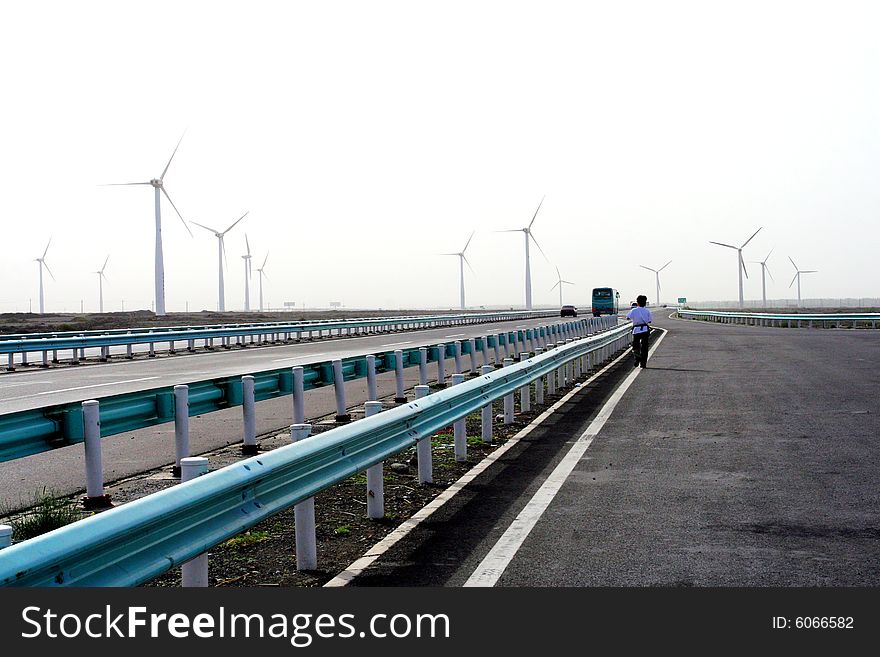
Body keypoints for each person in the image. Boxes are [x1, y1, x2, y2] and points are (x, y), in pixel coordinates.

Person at [626, 294, 652, 368]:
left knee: (635, 347)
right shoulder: (647, 311)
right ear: (645, 302)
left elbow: (628, 317)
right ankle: (643, 363)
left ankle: (637, 358)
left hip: (636, 331)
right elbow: (649, 321)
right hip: (645, 330)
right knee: (645, 347)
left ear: (637, 302)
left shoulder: (634, 310)